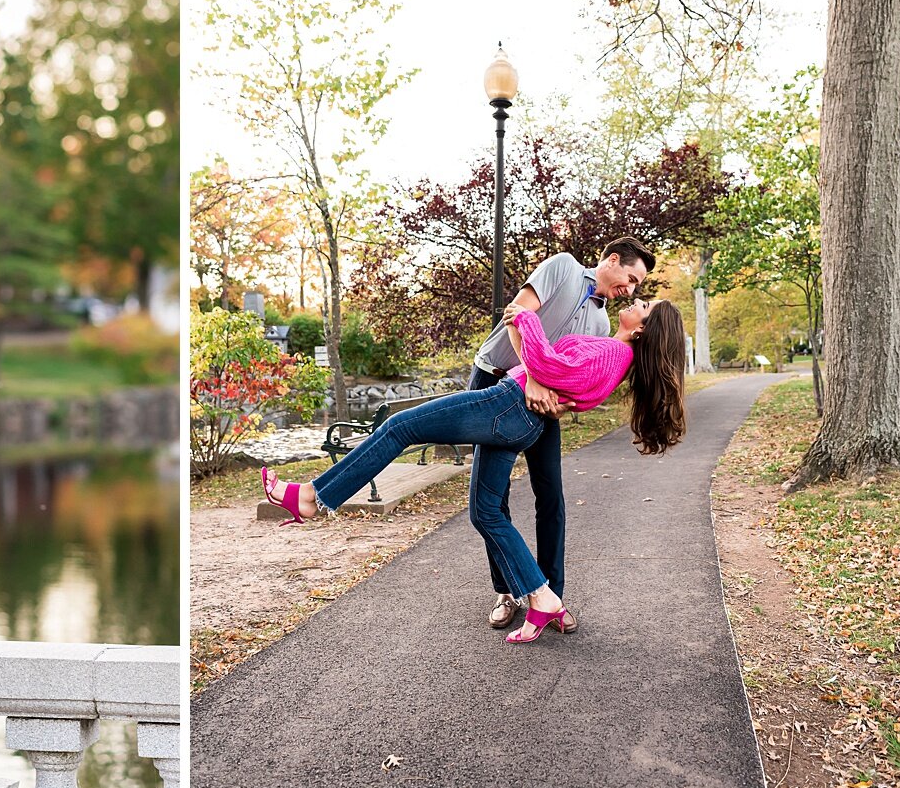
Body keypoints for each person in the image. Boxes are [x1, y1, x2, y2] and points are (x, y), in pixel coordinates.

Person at [262, 296, 687, 644]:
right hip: (520, 418)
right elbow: (565, 386)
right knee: (485, 511)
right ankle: (542, 598)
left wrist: (526, 317)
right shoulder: (616, 358)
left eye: (644, 305)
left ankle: (313, 498)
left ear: (643, 329)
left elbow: (551, 368)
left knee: (400, 426)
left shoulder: (614, 352)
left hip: (504, 405)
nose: (636, 299)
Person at [468, 238, 655, 632]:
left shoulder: (603, 325)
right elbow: (516, 313)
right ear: (613, 259)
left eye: (637, 287)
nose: (631, 289)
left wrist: (553, 398)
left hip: (542, 398)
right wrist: (532, 379)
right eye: (631, 278)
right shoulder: (563, 267)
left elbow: (571, 374)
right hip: (494, 378)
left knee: (550, 493)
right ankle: (506, 590)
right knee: (493, 496)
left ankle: (552, 594)